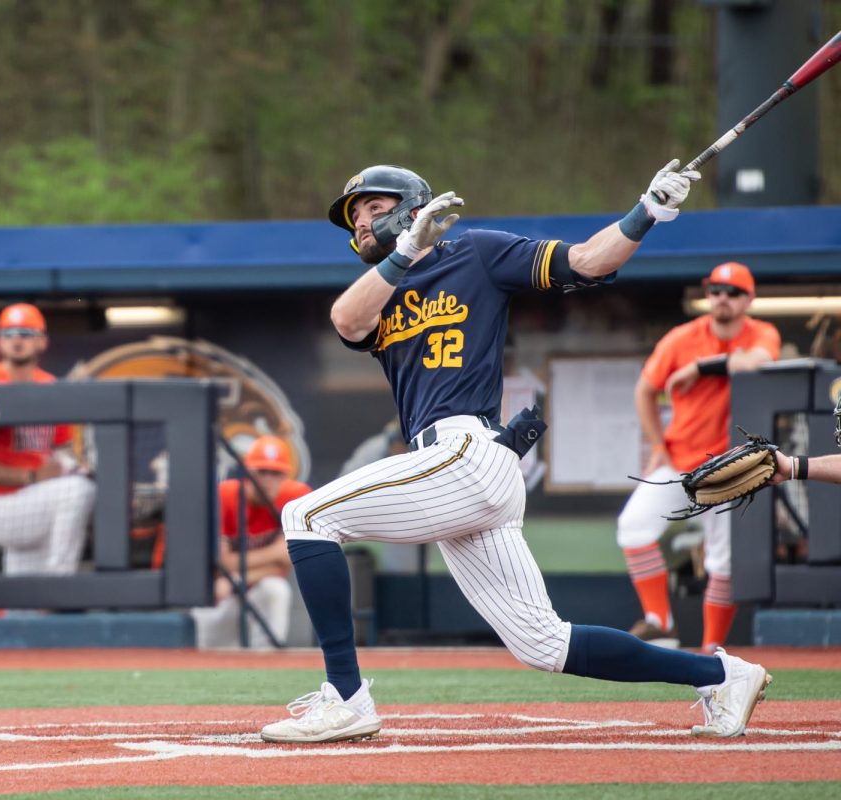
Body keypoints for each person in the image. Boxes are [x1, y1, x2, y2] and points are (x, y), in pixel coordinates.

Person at [259, 162, 771, 745]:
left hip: (468, 453)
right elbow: (347, 320)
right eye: (356, 217)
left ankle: (345, 698)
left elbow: (588, 261)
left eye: (375, 208)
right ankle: (722, 675)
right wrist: (401, 251)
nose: (363, 223)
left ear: (410, 206)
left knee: (306, 515)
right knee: (544, 644)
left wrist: (648, 208)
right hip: (456, 470)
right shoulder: (382, 285)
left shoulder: (474, 252)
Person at [616, 262, 780, 652]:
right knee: (633, 526)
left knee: (721, 561)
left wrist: (701, 367)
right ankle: (660, 621)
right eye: (716, 290)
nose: (722, 298)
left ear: (748, 299)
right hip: (680, 458)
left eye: (732, 292)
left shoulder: (762, 332)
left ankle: (711, 648)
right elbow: (644, 390)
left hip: (731, 466)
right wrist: (657, 443)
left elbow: (757, 361)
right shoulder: (681, 337)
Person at [0, 303, 95, 575]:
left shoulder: (50, 387)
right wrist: (33, 476)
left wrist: (72, 466)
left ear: (42, 341)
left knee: (23, 600)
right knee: (77, 490)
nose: (17, 340)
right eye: (9, 333)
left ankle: (37, 607)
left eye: (25, 332)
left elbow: (62, 449)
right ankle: (60, 581)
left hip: (37, 501)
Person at [191, 435, 311, 649]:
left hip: (250, 588)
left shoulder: (296, 496)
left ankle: (268, 663)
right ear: (247, 474)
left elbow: (290, 559)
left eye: (275, 473)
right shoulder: (227, 495)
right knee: (203, 650)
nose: (267, 480)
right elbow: (223, 562)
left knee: (276, 590)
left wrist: (239, 577)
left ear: (285, 475)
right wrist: (275, 553)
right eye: (261, 472)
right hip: (217, 596)